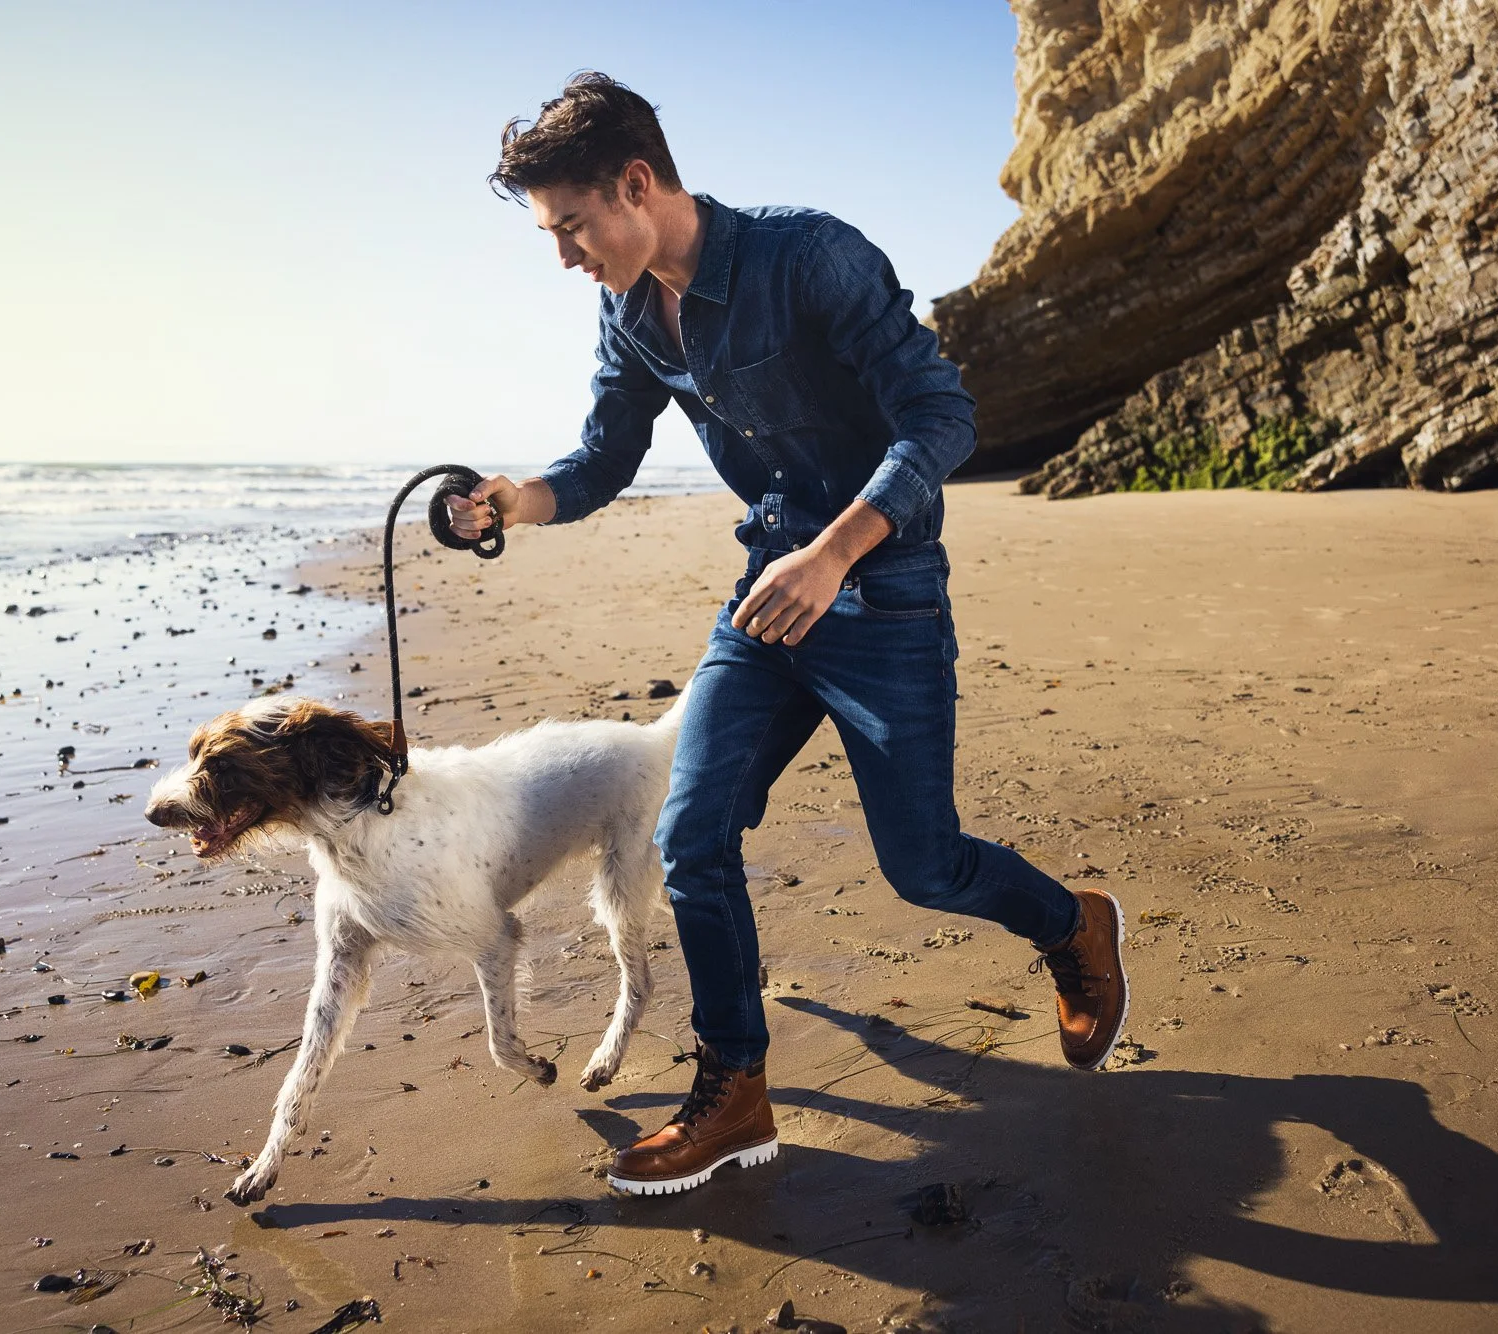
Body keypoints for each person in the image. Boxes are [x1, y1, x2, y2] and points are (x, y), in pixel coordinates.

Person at [448, 72, 1128, 1197]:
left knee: (923, 864)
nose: (563, 254)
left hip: (878, 585)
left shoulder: (806, 256)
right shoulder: (627, 310)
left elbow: (939, 416)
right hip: (767, 596)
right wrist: (513, 500)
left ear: (634, 183)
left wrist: (835, 552)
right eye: (550, 235)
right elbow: (604, 458)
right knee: (689, 831)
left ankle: (1073, 925)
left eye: (571, 226)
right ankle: (736, 1087)